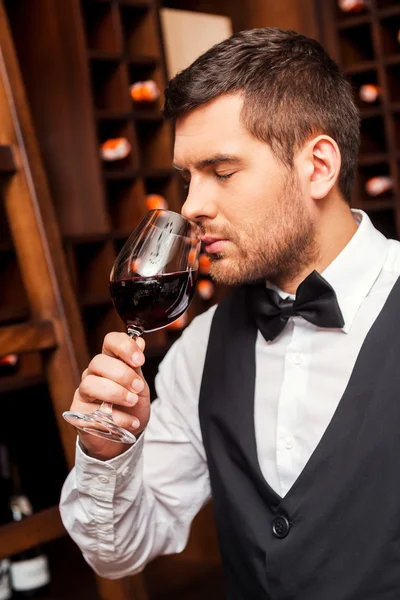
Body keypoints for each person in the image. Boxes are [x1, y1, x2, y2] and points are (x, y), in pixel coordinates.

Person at [59, 27, 400, 599]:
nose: (191, 207)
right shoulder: (201, 346)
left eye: (222, 171)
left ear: (318, 166)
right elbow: (118, 553)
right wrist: (107, 452)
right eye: (186, 178)